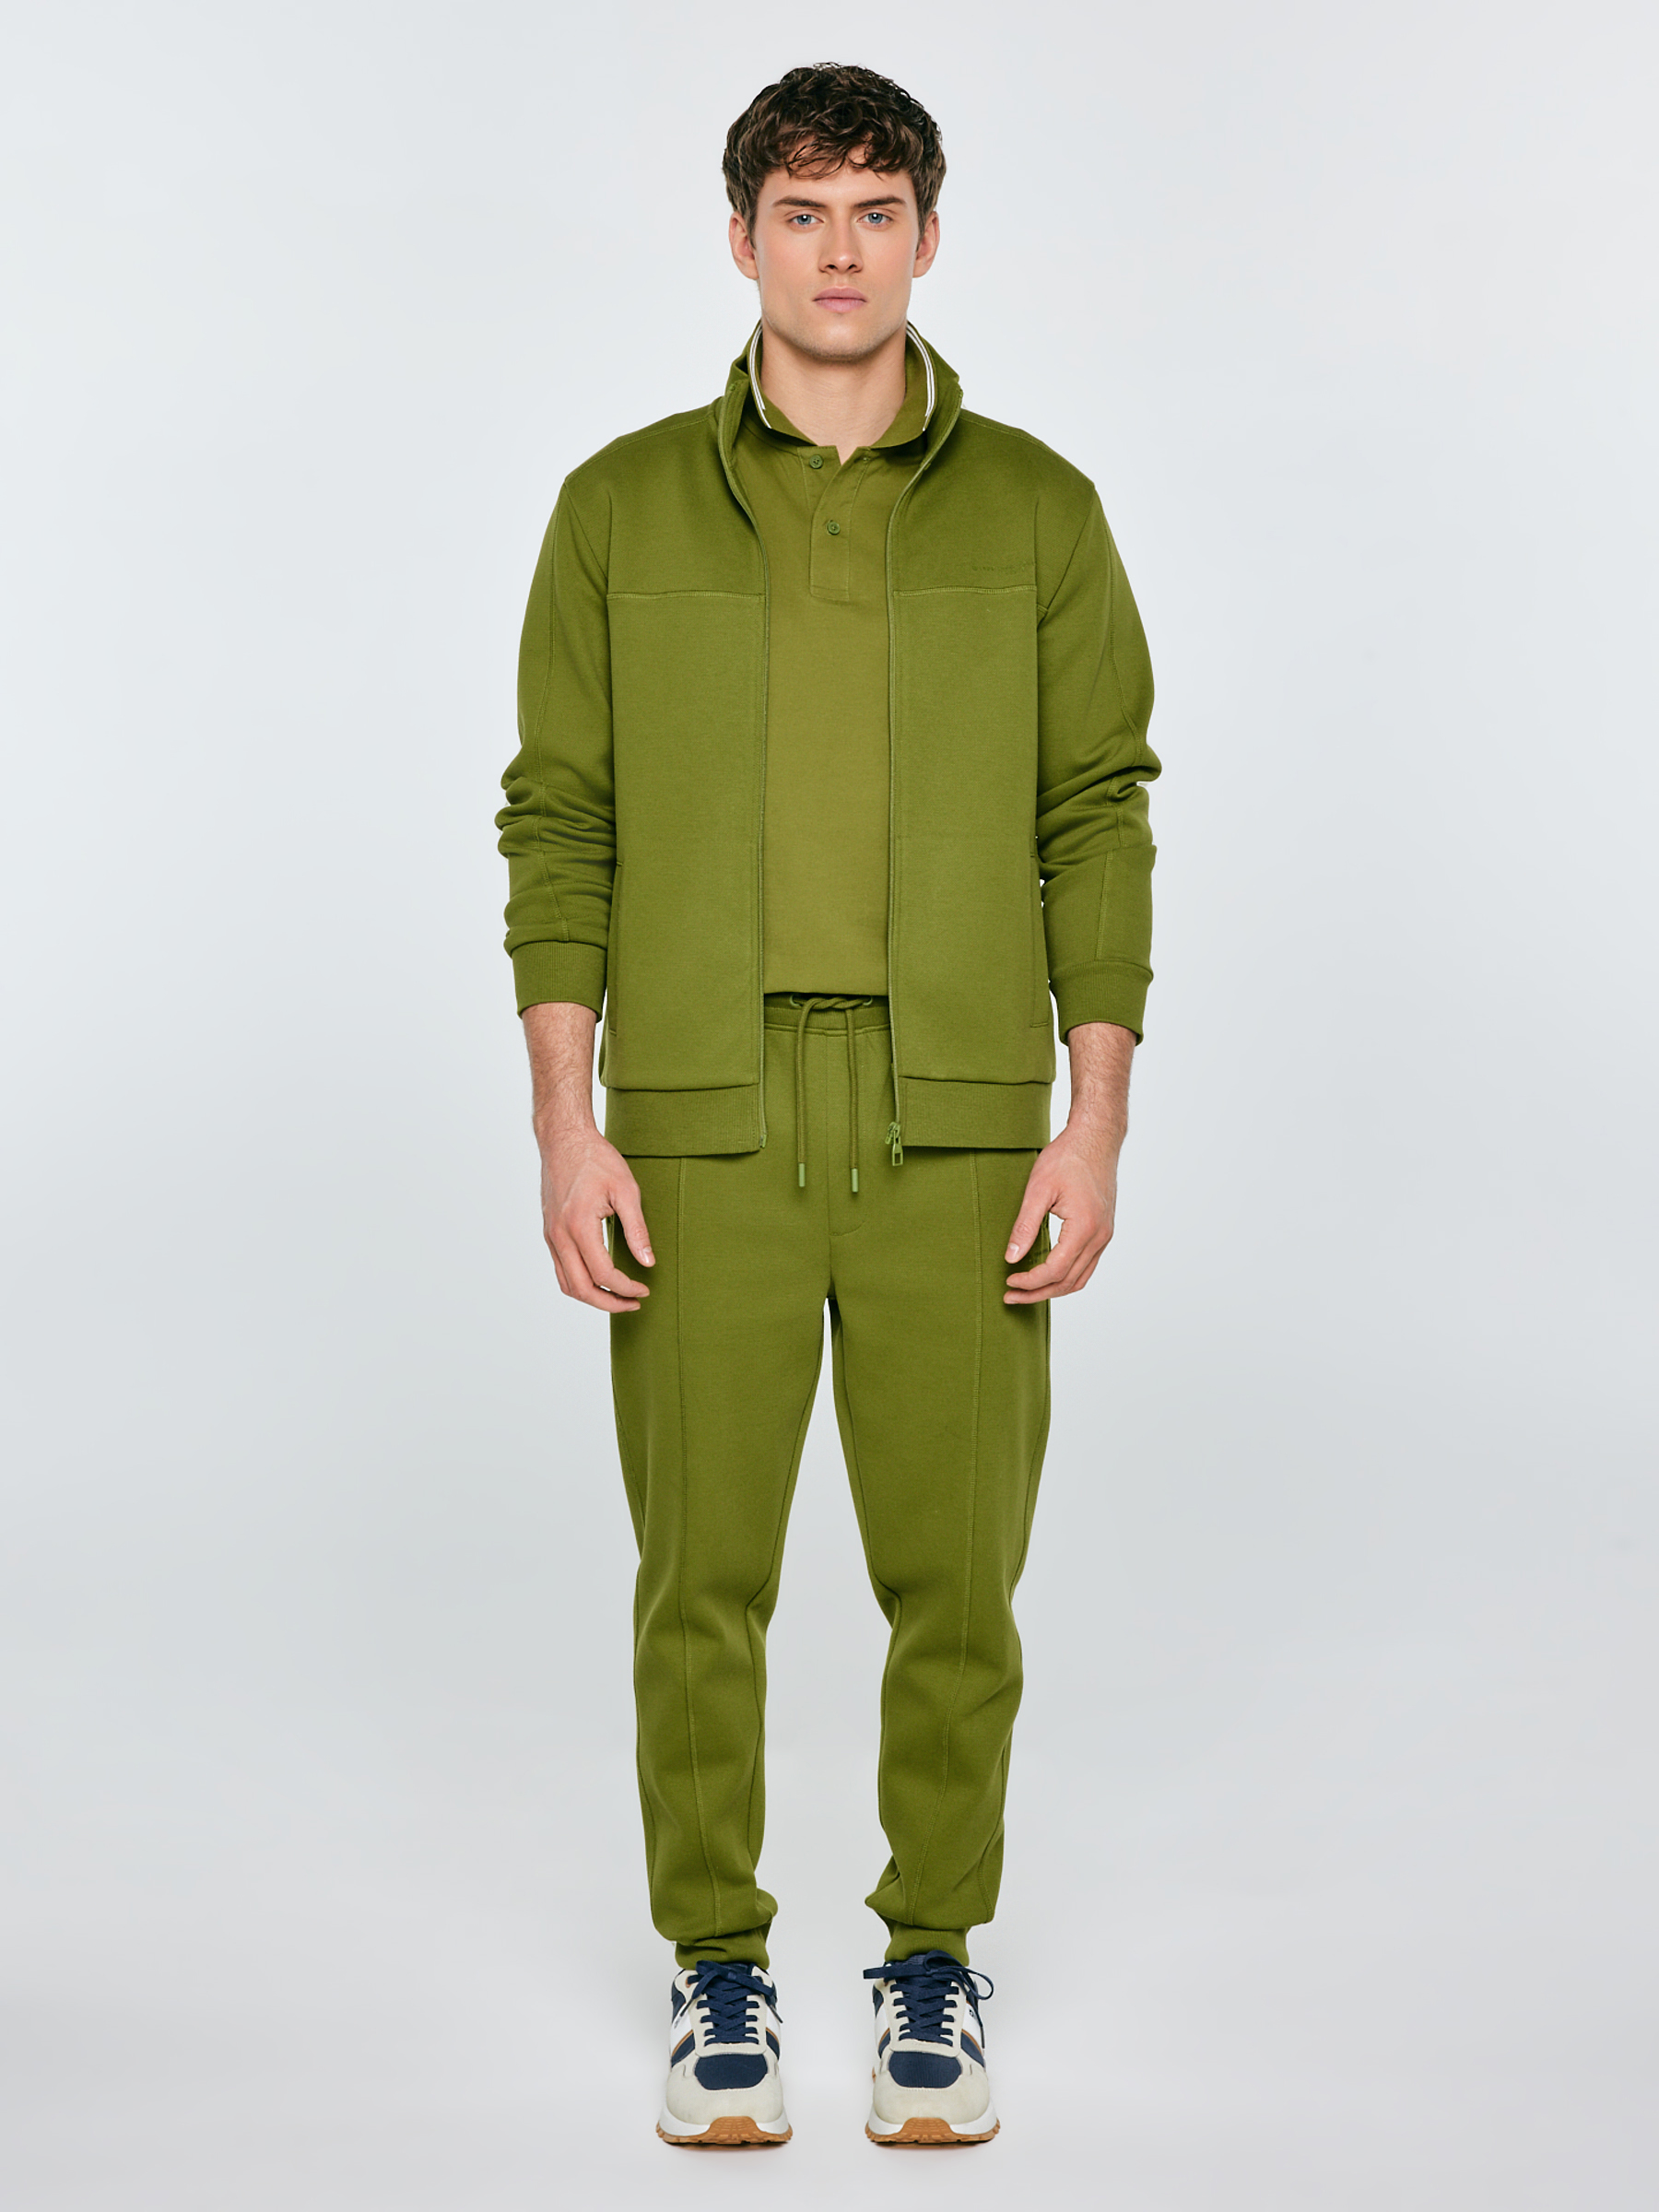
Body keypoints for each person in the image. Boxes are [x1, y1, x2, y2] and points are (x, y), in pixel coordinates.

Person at [496, 61, 1159, 2149]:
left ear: (929, 236)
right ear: (742, 240)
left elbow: (1097, 814)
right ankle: (717, 1965)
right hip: (701, 1115)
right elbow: (559, 821)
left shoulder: (1039, 510)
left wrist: (1093, 1117)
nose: (842, 250)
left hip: (958, 1115)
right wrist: (568, 1121)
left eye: (878, 209)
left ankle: (931, 1957)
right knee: (700, 1581)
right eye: (804, 212)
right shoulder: (618, 509)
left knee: (956, 1580)